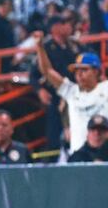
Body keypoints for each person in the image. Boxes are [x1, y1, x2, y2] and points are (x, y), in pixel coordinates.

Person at [33, 23, 108, 155]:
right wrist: (39, 47)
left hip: (107, 154)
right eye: (76, 71)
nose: (79, 74)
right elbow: (47, 71)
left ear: (96, 71)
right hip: (79, 156)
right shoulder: (71, 91)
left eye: (84, 70)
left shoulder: (107, 88)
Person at [30, 15, 81, 152]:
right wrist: (39, 90)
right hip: (55, 95)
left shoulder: (75, 46)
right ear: (55, 28)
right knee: (54, 133)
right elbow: (34, 74)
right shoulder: (46, 47)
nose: (69, 26)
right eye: (65, 23)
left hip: (76, 94)